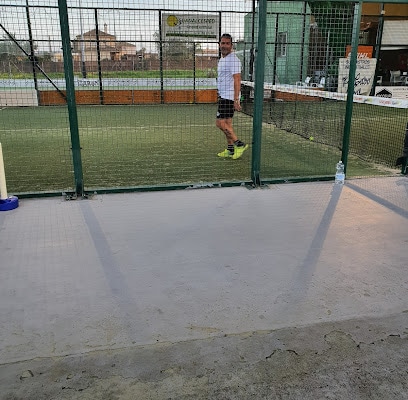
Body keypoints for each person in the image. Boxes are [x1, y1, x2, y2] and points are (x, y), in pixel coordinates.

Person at [216, 33, 248, 160]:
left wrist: (236, 99)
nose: (224, 46)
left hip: (229, 97)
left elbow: (237, 80)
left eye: (227, 43)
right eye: (222, 43)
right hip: (223, 95)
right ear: (219, 44)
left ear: (231, 45)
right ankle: (230, 149)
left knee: (220, 123)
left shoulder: (233, 60)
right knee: (227, 124)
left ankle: (239, 144)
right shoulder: (222, 59)